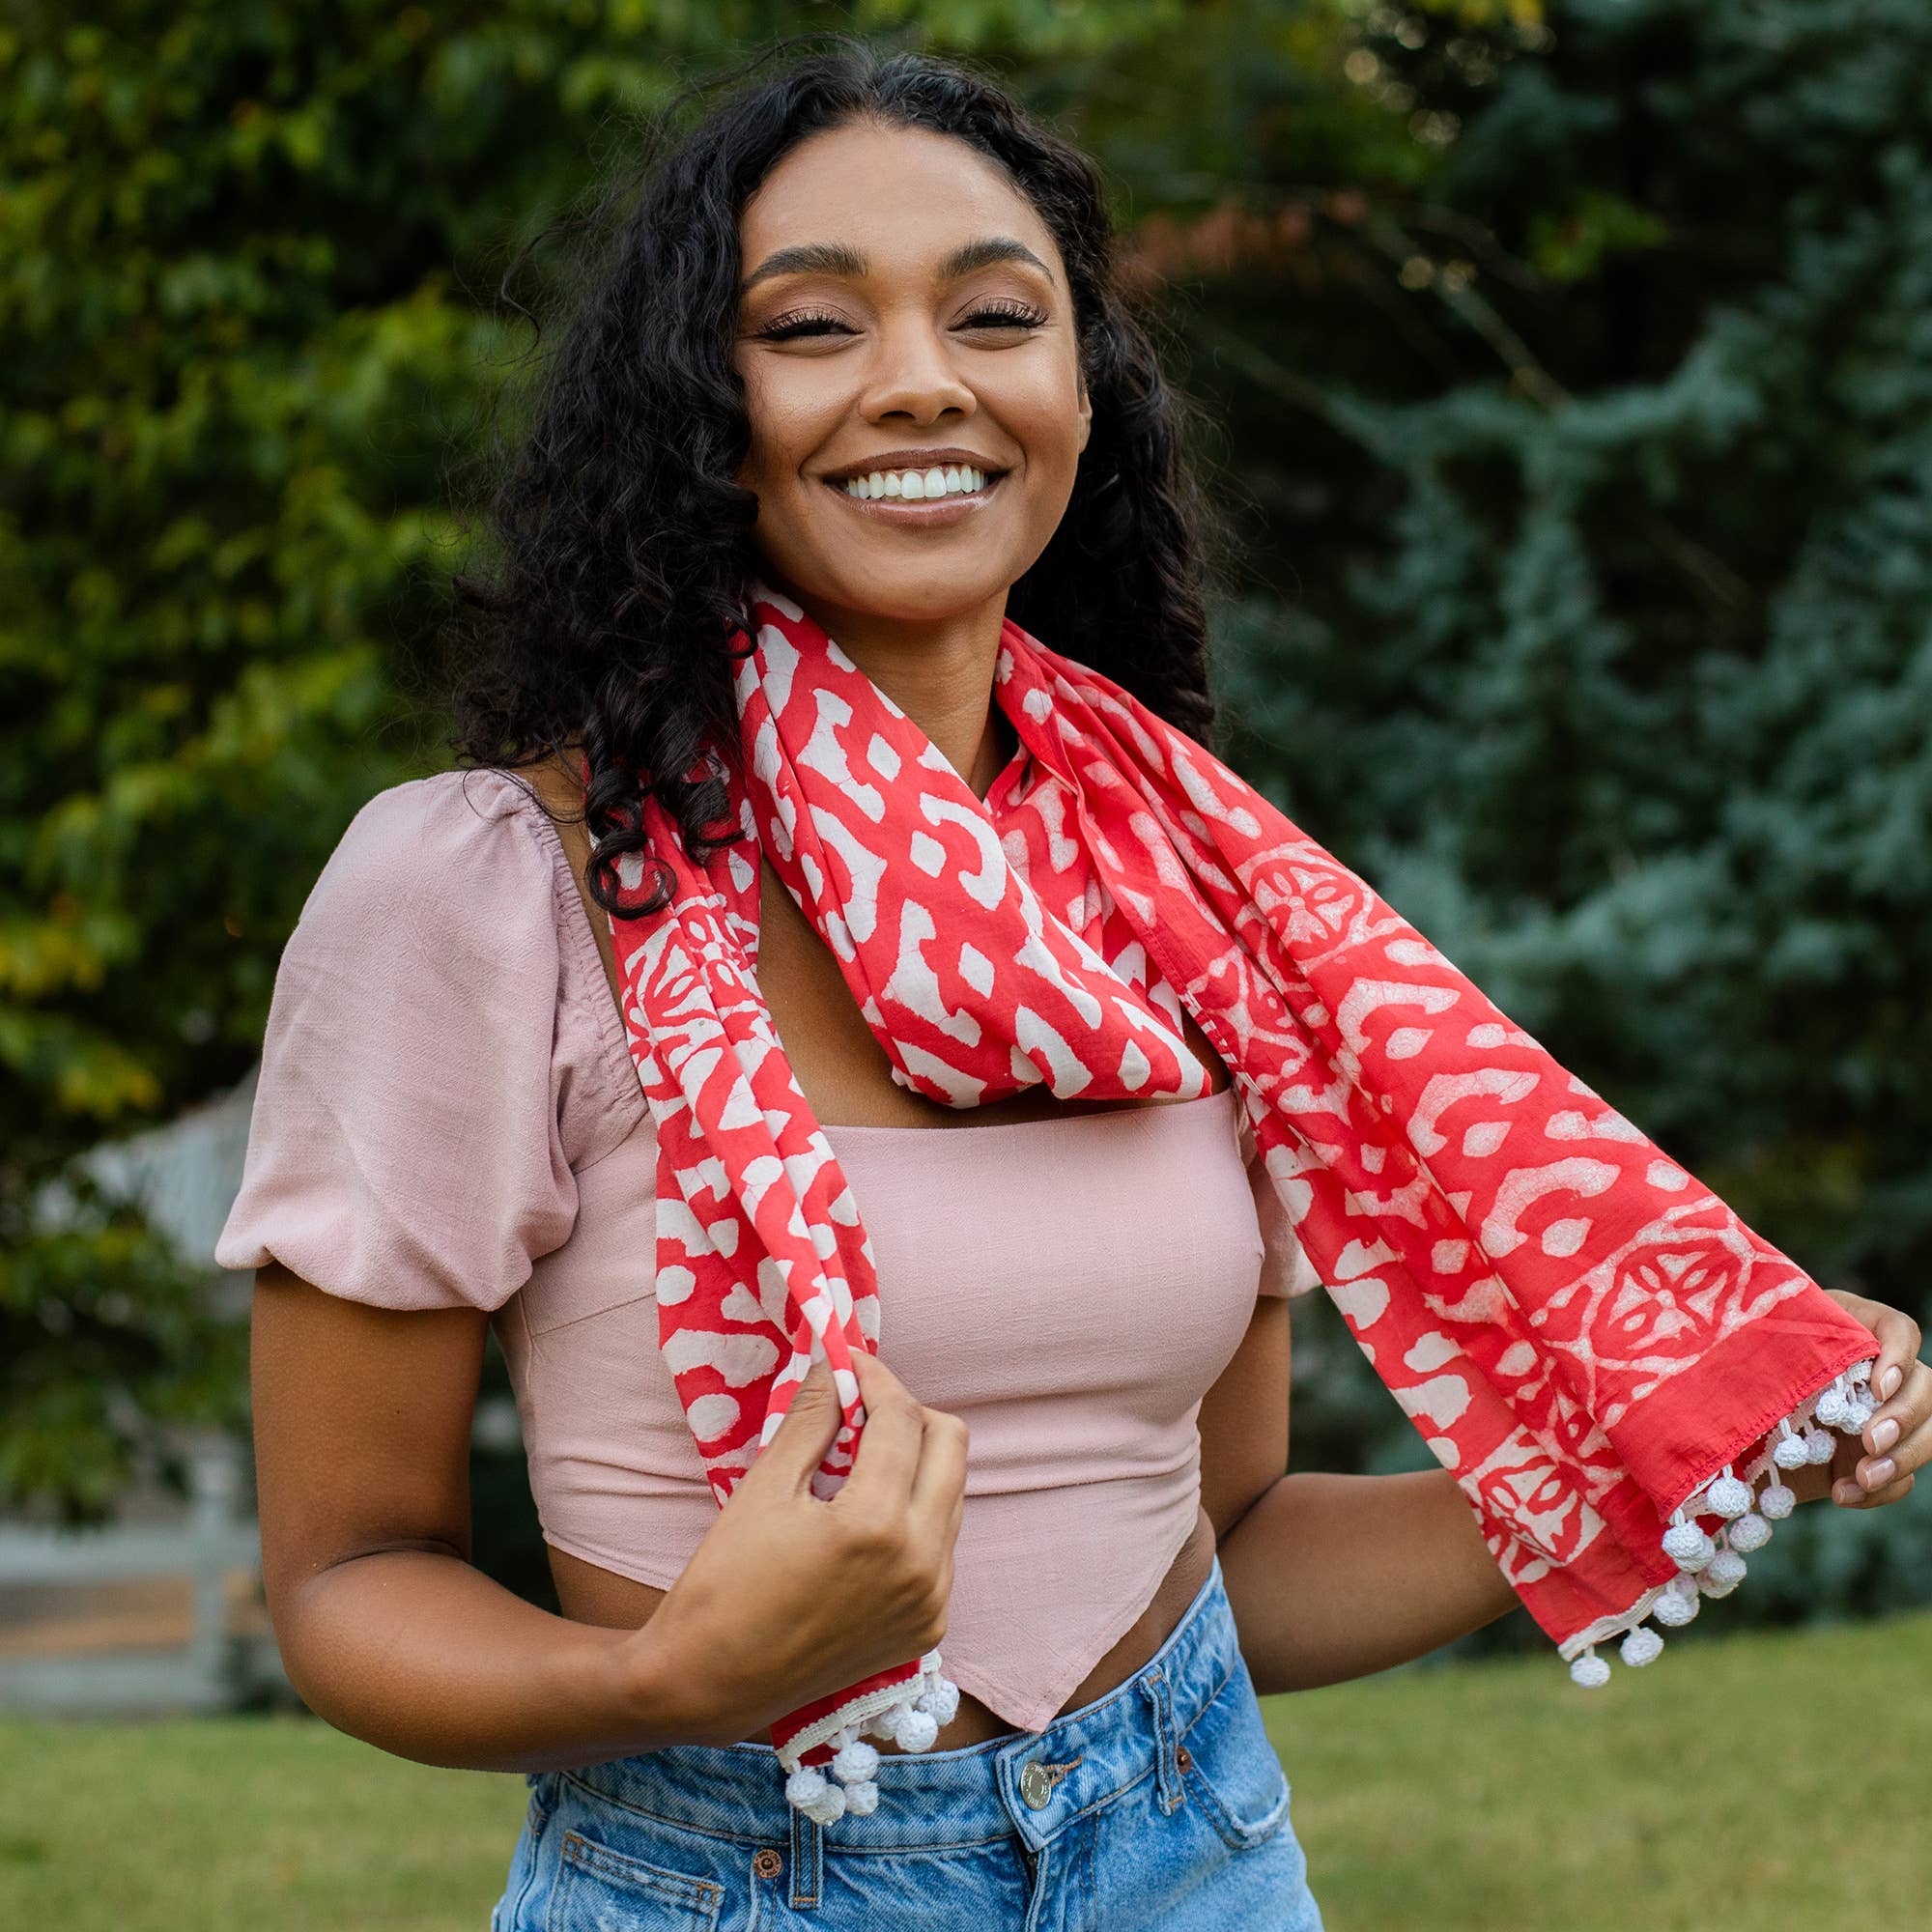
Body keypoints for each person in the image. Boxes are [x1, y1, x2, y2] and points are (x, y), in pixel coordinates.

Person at [219, 37, 1929, 1931]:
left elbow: (1232, 1537)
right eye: (810, 326)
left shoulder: (1187, 894)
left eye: (993, 313)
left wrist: (1686, 1428)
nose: (920, 381)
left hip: (1192, 1855)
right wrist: (661, 1681)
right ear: (693, 407)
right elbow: (349, 1567)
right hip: (726, 1873)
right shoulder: (493, 886)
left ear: (1079, 390)